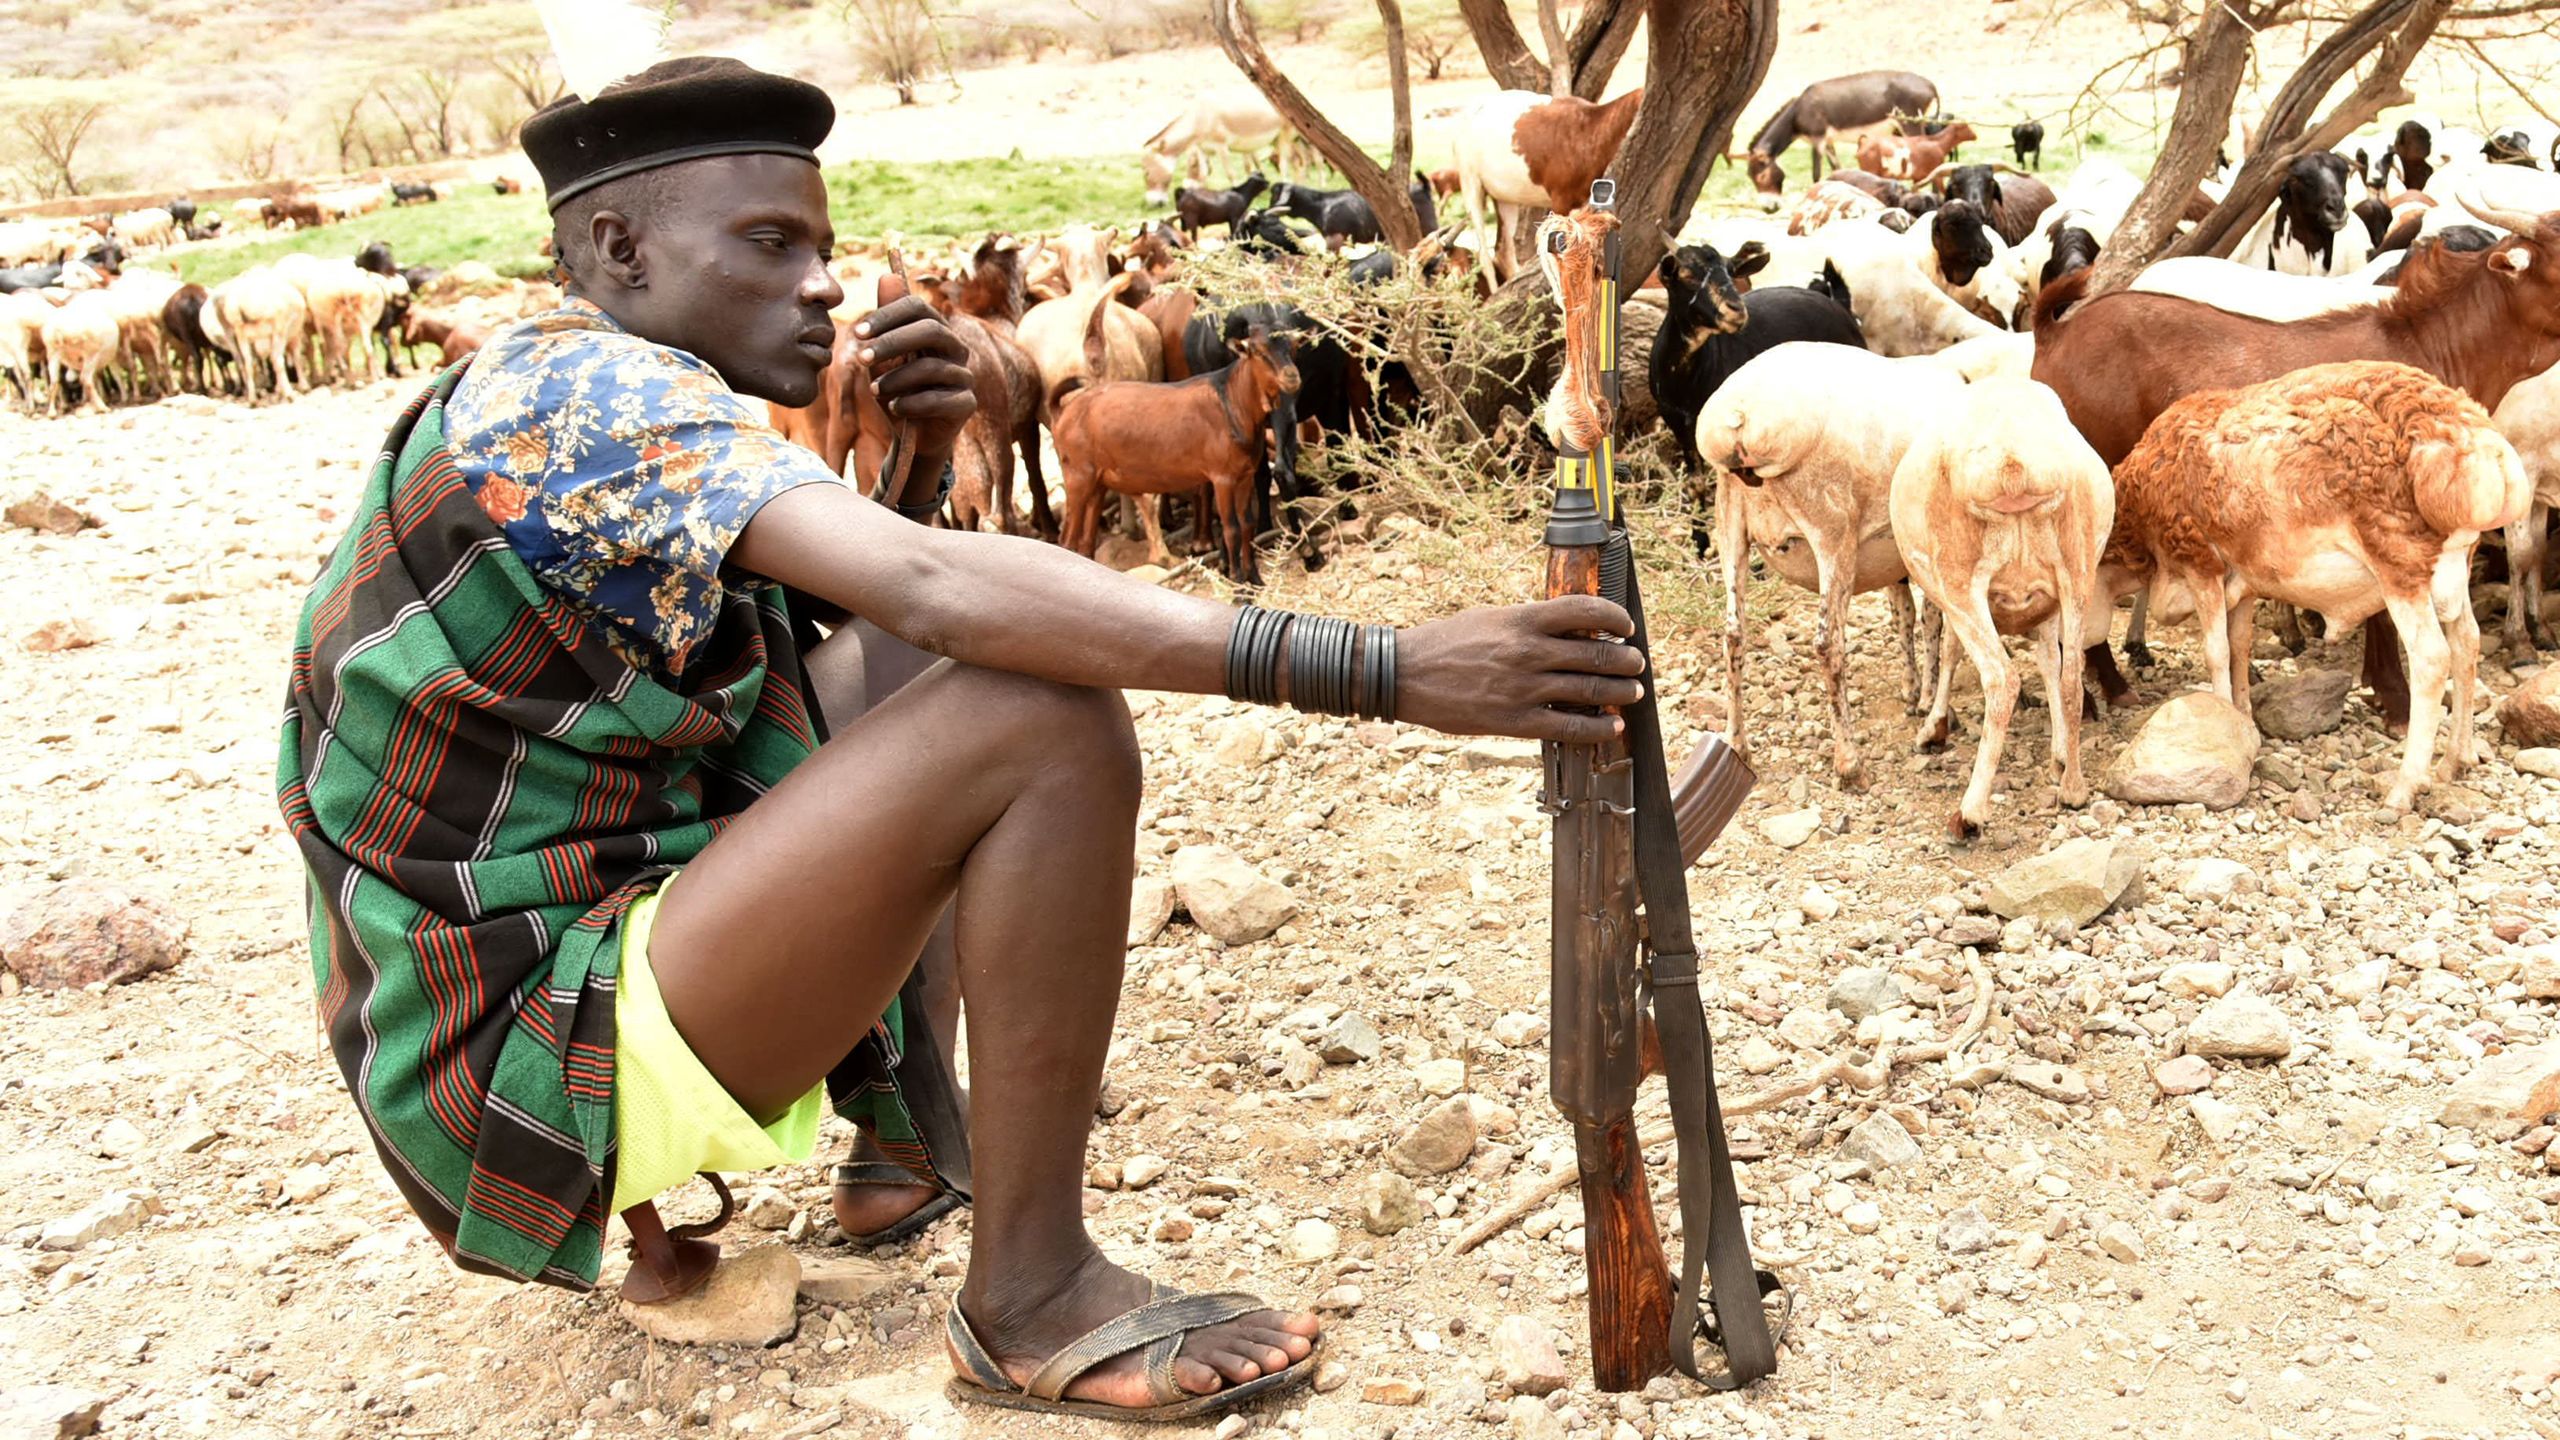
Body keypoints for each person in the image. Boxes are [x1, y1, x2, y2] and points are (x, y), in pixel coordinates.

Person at [277, 56, 1647, 1422]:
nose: (825, 282)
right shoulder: (580, 394)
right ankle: (1031, 1295)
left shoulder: (599, 404)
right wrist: (1381, 666)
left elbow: (826, 651)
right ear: (621, 249)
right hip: (520, 1056)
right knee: (1035, 716)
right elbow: (932, 593)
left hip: (551, 989)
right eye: (770, 242)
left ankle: (900, 1145)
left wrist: (920, 461)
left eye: (820, 244)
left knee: (965, 665)